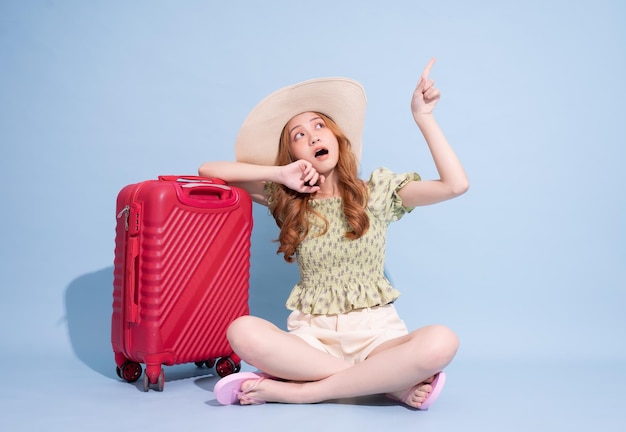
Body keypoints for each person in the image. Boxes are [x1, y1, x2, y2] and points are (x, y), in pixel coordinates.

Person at [198, 58, 469, 409]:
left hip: (378, 336)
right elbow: (209, 171)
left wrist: (424, 117)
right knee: (240, 330)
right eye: (299, 135)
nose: (312, 136)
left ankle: (306, 391)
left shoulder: (379, 192)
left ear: (336, 138)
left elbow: (455, 185)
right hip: (312, 340)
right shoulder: (287, 199)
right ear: (293, 153)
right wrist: (281, 174)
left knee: (441, 341)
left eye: (319, 126)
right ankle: (386, 384)